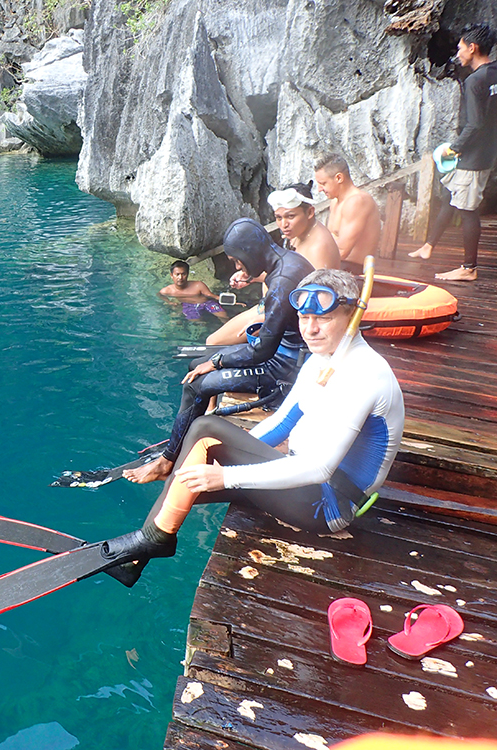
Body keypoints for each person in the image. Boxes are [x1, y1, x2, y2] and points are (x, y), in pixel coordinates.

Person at [99, 269, 404, 575]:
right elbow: (281, 424)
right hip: (300, 482)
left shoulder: (365, 373)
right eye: (304, 317)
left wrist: (227, 475)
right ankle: (139, 555)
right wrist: (226, 456)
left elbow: (319, 468)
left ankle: (150, 542)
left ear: (352, 316)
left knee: (206, 429)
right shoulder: (322, 359)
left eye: (323, 318)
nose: (310, 329)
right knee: (185, 477)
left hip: (326, 505)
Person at [125, 218, 314, 483]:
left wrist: (217, 361)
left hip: (285, 367)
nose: (237, 266)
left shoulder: (282, 281)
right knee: (195, 366)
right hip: (292, 352)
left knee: (195, 386)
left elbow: (261, 352)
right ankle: (192, 425)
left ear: (250, 252)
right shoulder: (289, 261)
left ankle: (166, 462)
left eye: (238, 260)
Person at [408, 23, 497, 281]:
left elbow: (475, 124)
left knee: (468, 209)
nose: (458, 53)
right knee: (451, 195)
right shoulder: (494, 73)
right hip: (485, 151)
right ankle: (428, 246)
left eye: (460, 48)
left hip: (473, 156)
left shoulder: (474, 81)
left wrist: (454, 149)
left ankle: (469, 268)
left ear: (473, 48)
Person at [208, 183, 340, 346]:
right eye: (279, 218)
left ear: (310, 212)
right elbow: (291, 277)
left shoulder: (318, 247)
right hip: (271, 305)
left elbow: (314, 302)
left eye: (290, 216)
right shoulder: (299, 234)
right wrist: (250, 277)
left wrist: (266, 319)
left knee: (213, 342)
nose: (284, 224)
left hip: (282, 314)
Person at [313, 153, 382, 266]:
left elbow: (341, 251)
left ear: (339, 178)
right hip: (337, 265)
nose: (319, 189)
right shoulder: (335, 202)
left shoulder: (357, 201)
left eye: (323, 183)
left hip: (353, 269)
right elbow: (330, 242)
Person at [160, 260, 229, 321]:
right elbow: (160, 295)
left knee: (224, 316)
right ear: (171, 275)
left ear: (187, 274)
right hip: (189, 305)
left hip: (207, 303)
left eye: (183, 274)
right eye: (177, 274)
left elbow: (211, 295)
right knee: (196, 322)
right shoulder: (168, 290)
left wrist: (228, 300)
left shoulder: (198, 285)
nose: (180, 277)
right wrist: (169, 302)